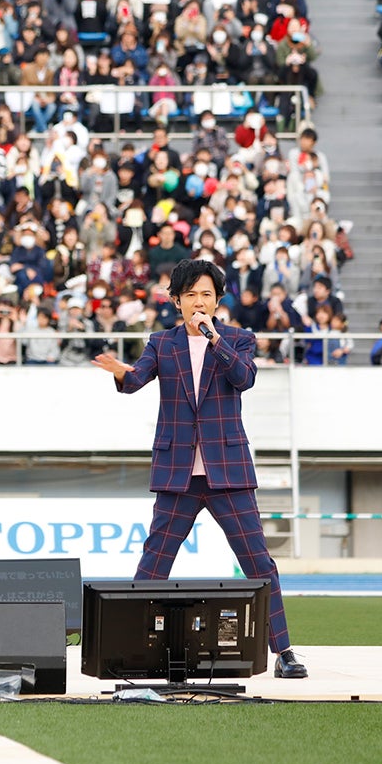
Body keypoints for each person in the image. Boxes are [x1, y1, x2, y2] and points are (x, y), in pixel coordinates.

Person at [92, 258, 307, 679]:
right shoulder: (162, 342)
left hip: (227, 471)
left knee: (259, 564)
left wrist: (214, 340)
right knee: (153, 563)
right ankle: (131, 649)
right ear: (176, 300)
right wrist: (121, 374)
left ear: (217, 299)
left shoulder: (238, 338)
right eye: (190, 295)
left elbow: (244, 378)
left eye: (206, 294)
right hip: (178, 472)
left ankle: (284, 652)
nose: (198, 301)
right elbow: (137, 381)